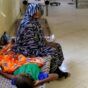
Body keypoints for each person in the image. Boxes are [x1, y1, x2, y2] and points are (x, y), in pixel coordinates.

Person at [12, 3, 70, 79]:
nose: (39, 14)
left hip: (35, 45)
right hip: (27, 50)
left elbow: (39, 36)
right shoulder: (28, 25)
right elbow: (32, 45)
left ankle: (56, 68)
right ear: (31, 12)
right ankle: (55, 71)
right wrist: (46, 45)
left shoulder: (33, 20)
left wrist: (47, 42)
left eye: (39, 12)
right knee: (52, 51)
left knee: (57, 46)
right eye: (36, 12)